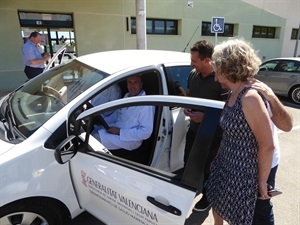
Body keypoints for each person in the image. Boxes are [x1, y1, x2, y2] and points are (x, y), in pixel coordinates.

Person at [204, 37, 275, 225]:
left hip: (243, 175)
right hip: (226, 165)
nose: (215, 76)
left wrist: (261, 182)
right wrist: (217, 158)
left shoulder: (250, 97)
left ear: (228, 68)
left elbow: (267, 145)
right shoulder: (232, 93)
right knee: (217, 201)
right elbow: (229, 133)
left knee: (243, 217)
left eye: (217, 70)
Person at [182, 40, 228, 211]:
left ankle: (208, 198)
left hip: (214, 134)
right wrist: (186, 105)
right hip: (194, 130)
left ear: (207, 60)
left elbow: (228, 109)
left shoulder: (220, 79)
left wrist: (205, 117)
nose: (191, 63)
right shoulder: (193, 74)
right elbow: (189, 94)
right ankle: (189, 191)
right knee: (189, 163)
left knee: (210, 168)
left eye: (194, 60)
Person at [249, 78, 293, 225]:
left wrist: (272, 97)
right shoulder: (232, 89)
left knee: (261, 208)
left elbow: (287, 126)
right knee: (245, 207)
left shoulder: (259, 92)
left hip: (264, 163)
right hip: (242, 162)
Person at [92, 75, 155, 151]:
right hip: (117, 128)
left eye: (135, 82)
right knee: (93, 129)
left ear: (141, 84)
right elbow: (117, 114)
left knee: (95, 139)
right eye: (130, 82)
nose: (132, 86)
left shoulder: (146, 105)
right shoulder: (127, 96)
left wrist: (120, 132)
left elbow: (146, 132)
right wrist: (102, 121)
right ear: (127, 84)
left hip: (130, 139)